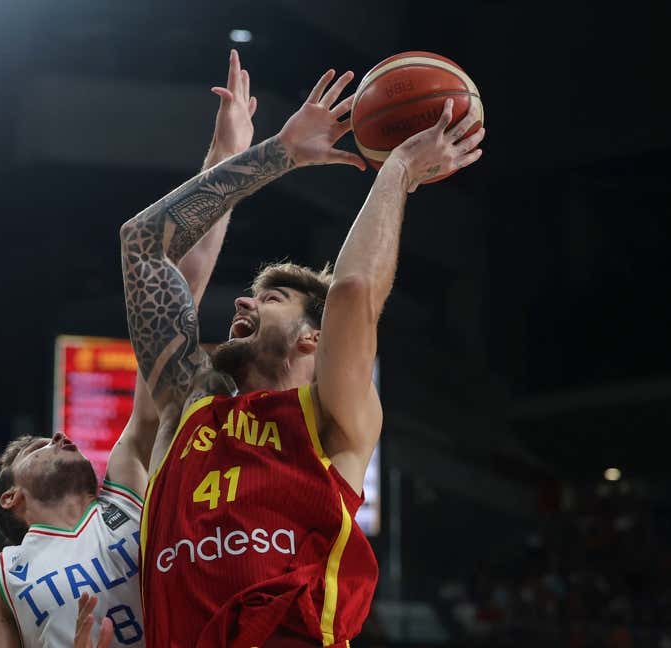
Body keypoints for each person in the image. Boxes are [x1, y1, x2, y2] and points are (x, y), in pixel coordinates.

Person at [119, 60, 484, 647]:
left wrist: (397, 172)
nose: (241, 300)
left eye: (273, 297)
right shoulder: (186, 406)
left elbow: (352, 292)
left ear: (312, 336)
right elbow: (143, 246)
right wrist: (275, 152)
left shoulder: (334, 416)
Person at [0, 51, 262, 648]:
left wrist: (227, 161)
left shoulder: (127, 484)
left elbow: (175, 297)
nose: (63, 436)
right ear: (12, 498)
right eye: (37, 445)